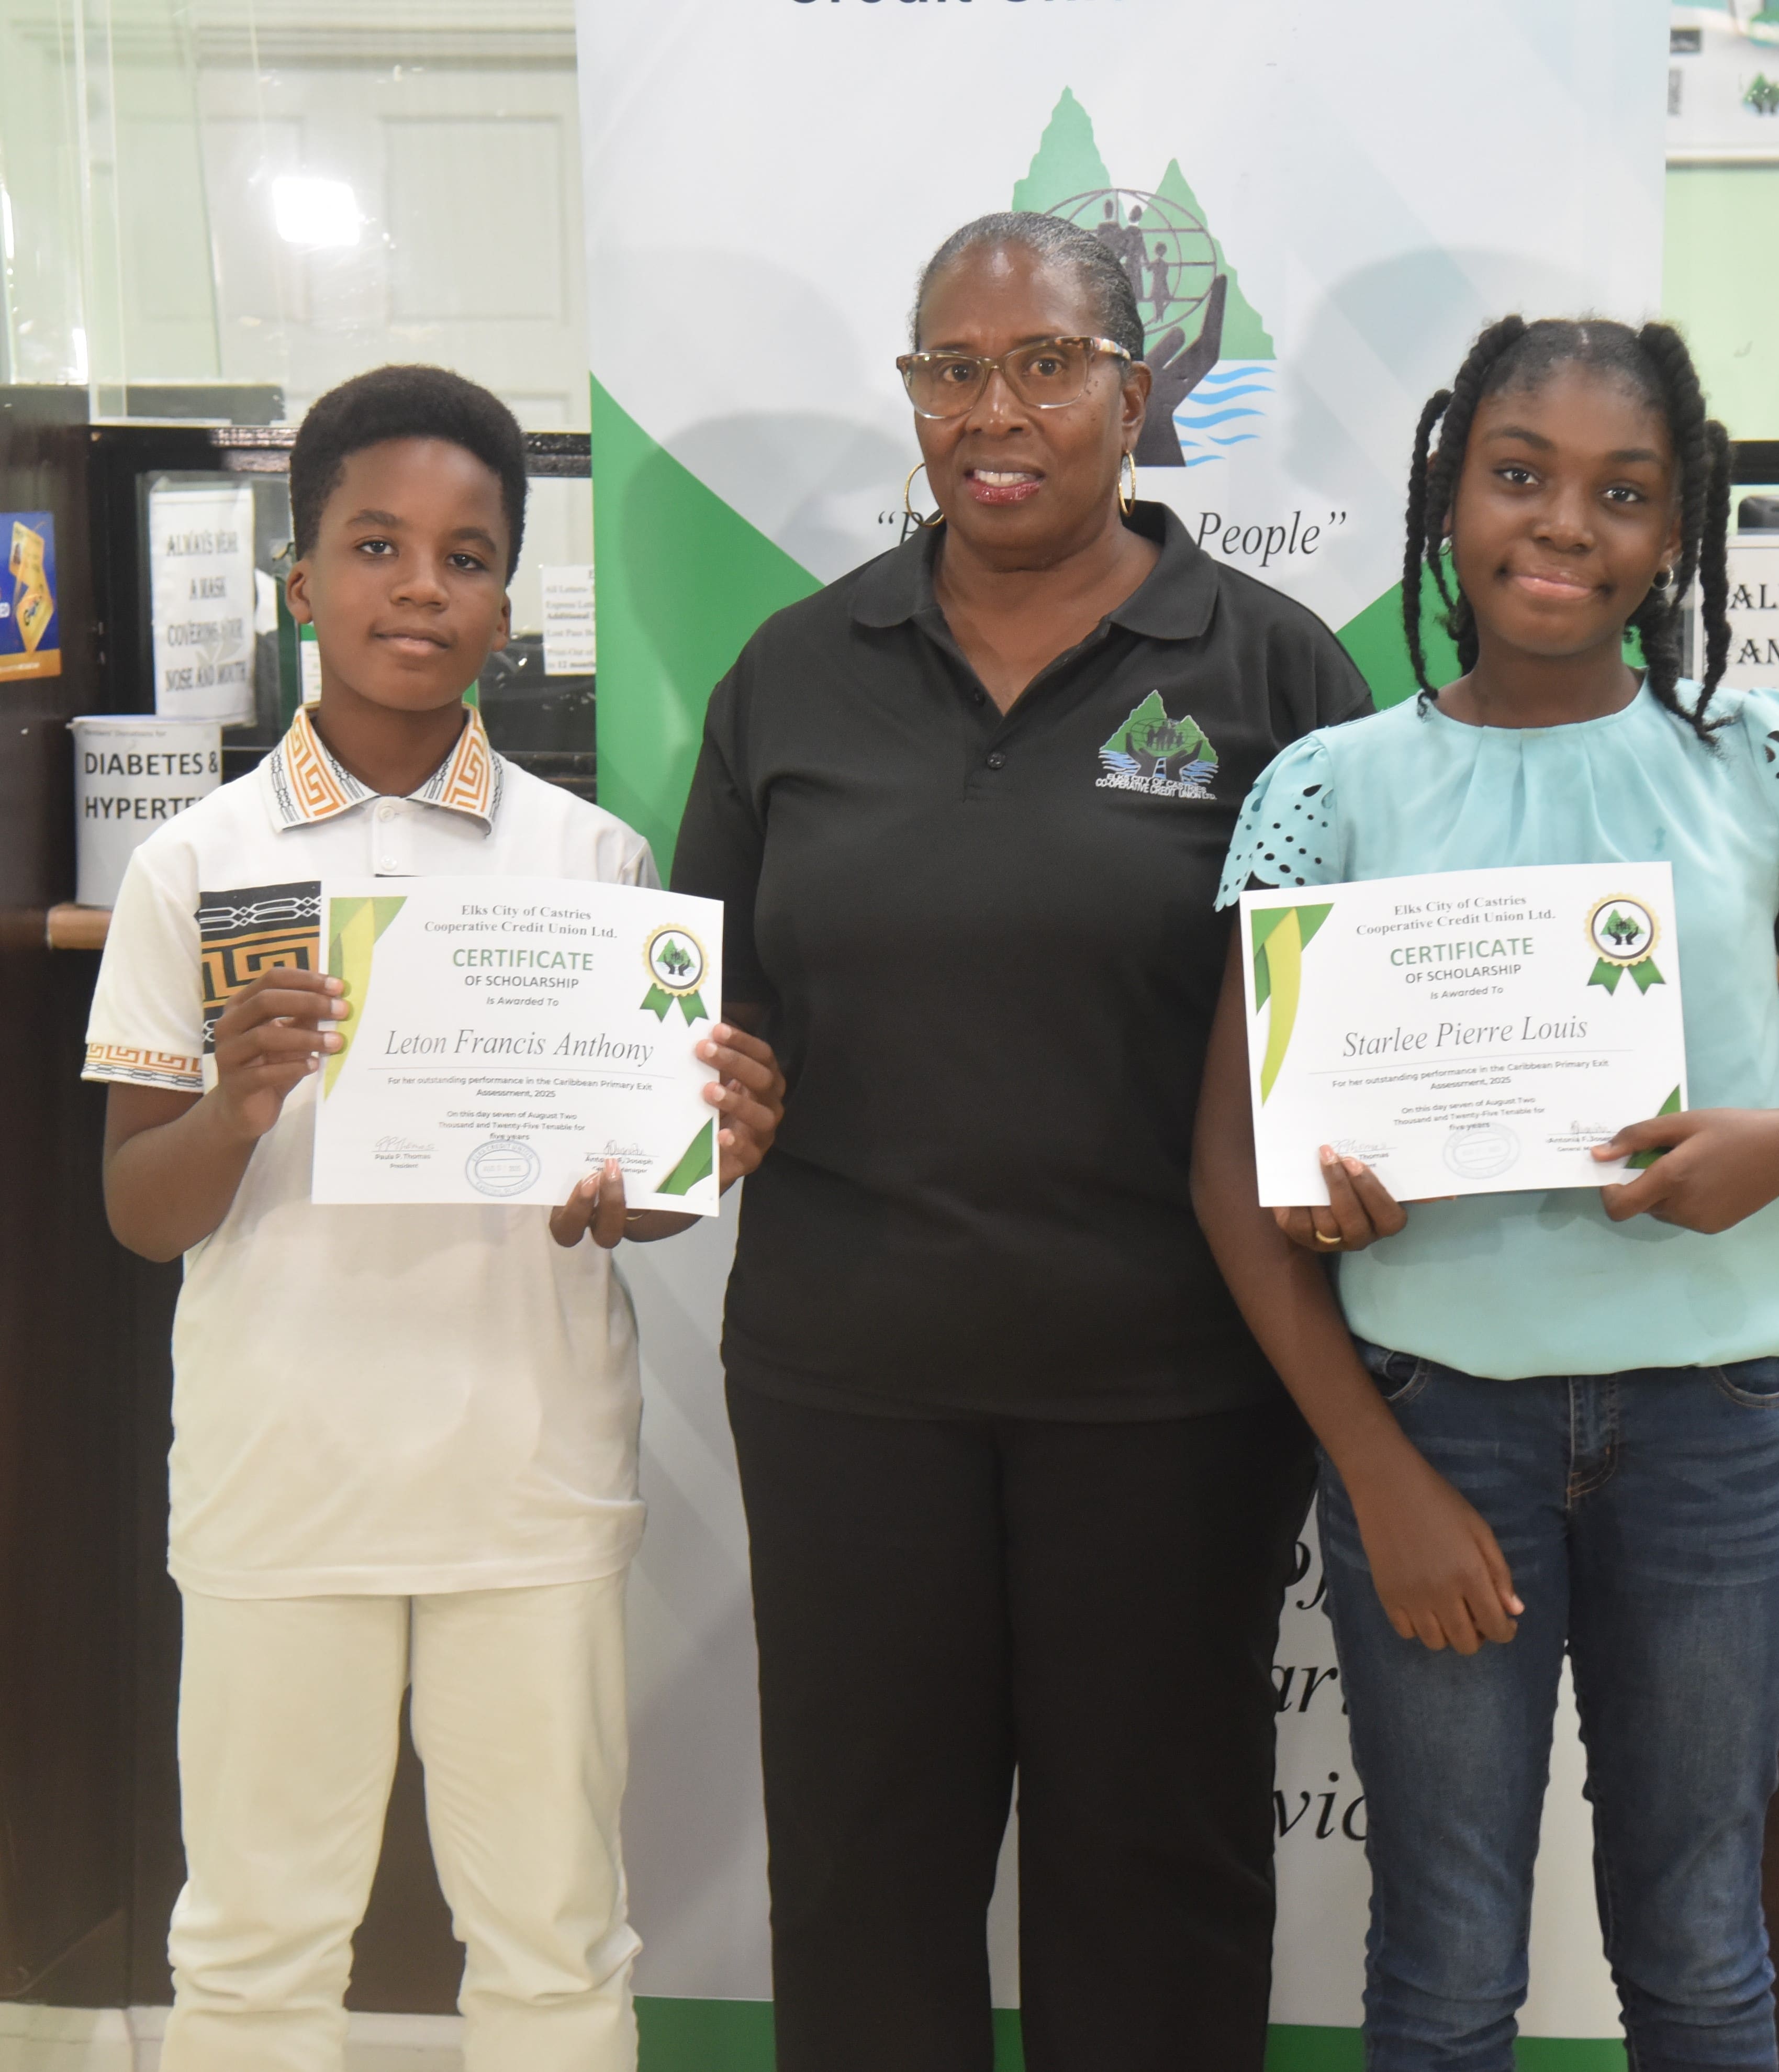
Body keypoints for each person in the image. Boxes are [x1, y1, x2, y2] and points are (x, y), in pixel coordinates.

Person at [1191, 317, 1779, 2072]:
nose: (1562, 524)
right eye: (1518, 476)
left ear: (1676, 531)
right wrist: (1373, 1466)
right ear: (1446, 496)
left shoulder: (1752, 757)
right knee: (1447, 1958)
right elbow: (1235, 1176)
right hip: (1434, 1425)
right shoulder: (1333, 788)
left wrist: (1778, 1149)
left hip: (1715, 1428)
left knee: (1695, 1945)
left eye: (1622, 494)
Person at [669, 211, 1372, 2072]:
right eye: (951, 368)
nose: (995, 411)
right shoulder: (792, 673)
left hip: (1170, 1399)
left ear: (1133, 395)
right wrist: (699, 1107)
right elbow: (704, 1015)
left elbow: (1348, 1036)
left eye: (1046, 365)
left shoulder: (1272, 675)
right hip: (849, 1388)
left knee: (1155, 1878)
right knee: (861, 1871)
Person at [85, 364, 785, 2072]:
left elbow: (641, 1211)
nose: (420, 588)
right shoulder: (196, 866)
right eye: (375, 545)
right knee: (253, 1949)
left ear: (508, 604)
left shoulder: (594, 868)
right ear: (299, 579)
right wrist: (238, 1108)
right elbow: (140, 1211)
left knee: (554, 1945)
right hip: (281, 1485)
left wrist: (692, 1161)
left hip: (525, 1484)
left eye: (467, 557)